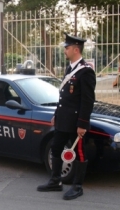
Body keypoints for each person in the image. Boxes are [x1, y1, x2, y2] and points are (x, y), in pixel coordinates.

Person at [37, 33, 96, 200]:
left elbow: (87, 100)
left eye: (67, 47)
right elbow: (63, 97)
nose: (65, 49)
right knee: (56, 148)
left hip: (76, 122)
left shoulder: (85, 72)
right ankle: (55, 181)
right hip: (63, 119)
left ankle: (77, 186)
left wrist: (83, 124)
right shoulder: (70, 69)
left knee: (79, 152)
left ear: (76, 49)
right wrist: (57, 114)